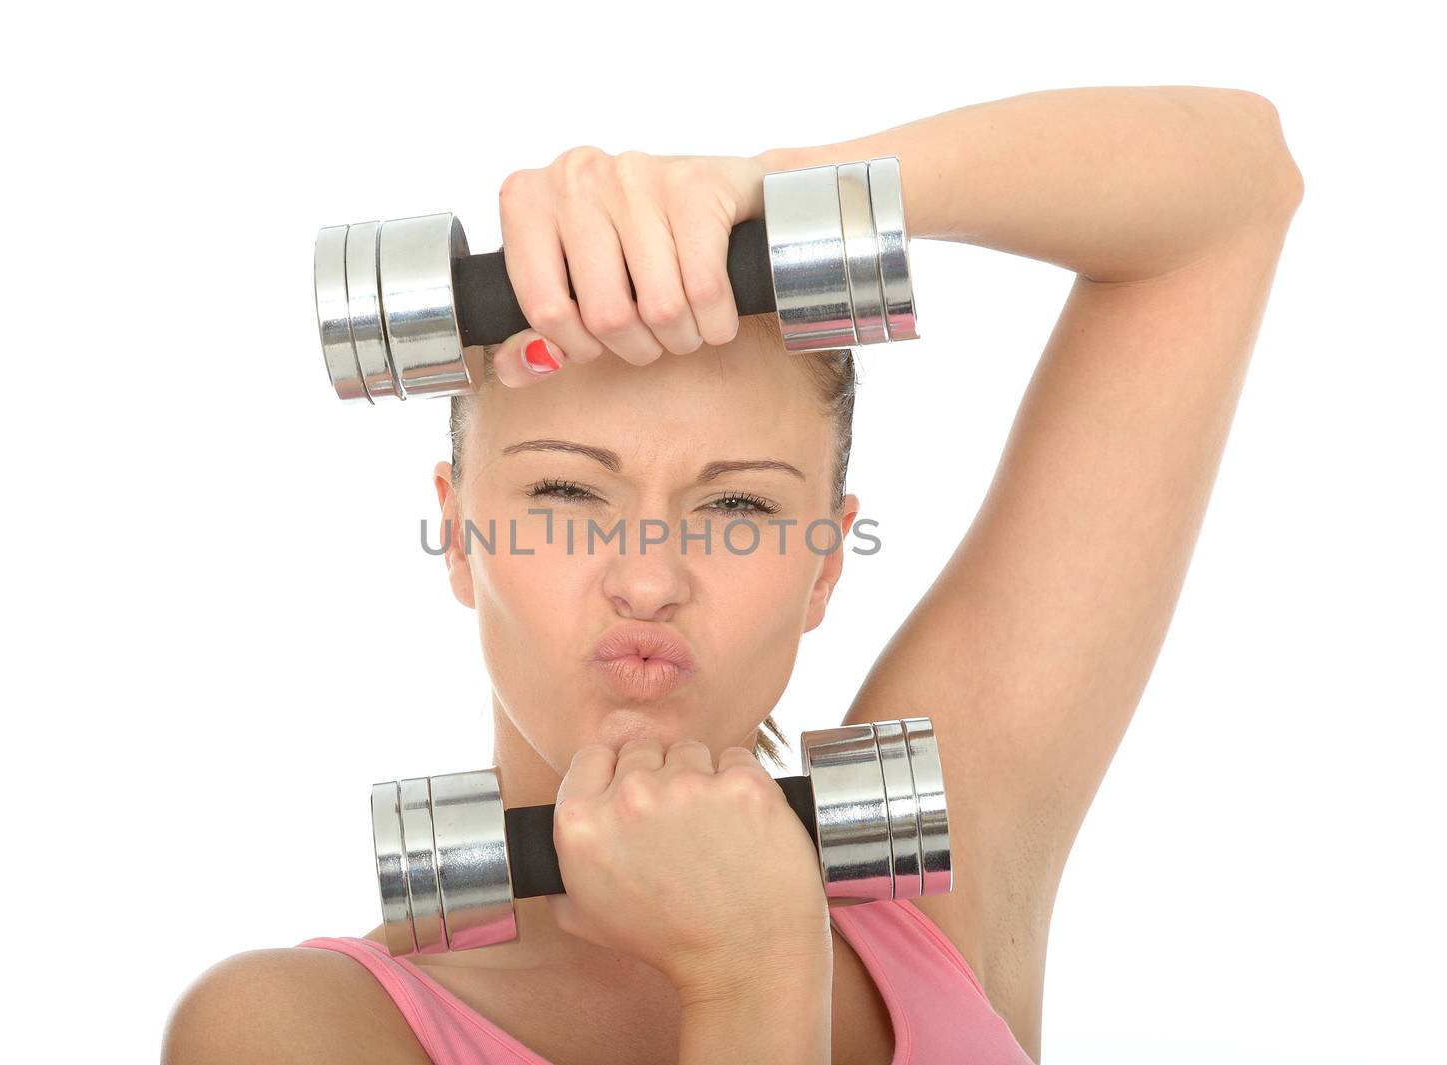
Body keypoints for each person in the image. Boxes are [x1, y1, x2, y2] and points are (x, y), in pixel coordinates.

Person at [161, 85, 1303, 1064]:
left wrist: (773, 188)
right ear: (458, 534)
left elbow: (1230, 193)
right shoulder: (290, 1028)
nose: (649, 579)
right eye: (565, 496)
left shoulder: (942, 885)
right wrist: (749, 976)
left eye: (739, 507)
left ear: (823, 566)